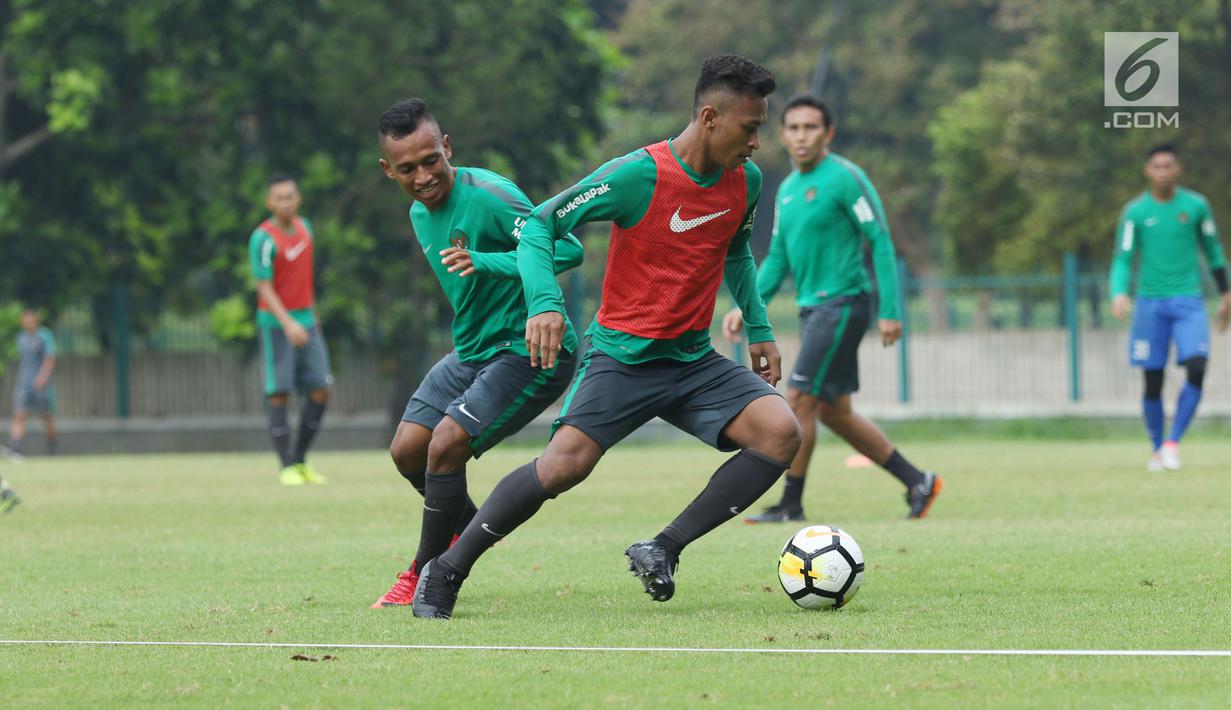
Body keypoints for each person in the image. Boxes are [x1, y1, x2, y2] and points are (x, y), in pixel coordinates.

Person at [412, 54, 802, 620]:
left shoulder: (747, 180)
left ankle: (662, 548)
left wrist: (760, 327)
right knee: (563, 467)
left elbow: (736, 248)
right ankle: (445, 570)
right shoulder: (636, 175)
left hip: (692, 361)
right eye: (751, 127)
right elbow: (542, 226)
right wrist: (544, 305)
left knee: (780, 433)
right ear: (711, 117)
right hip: (620, 356)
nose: (757, 142)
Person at [370, 98, 584, 608]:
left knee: (445, 444)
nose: (423, 176)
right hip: (471, 350)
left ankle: (424, 573)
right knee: (407, 452)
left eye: (430, 161)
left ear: (447, 147)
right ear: (388, 170)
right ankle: (469, 528)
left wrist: (484, 261)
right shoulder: (419, 212)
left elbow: (569, 248)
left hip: (529, 349)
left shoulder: (490, 196)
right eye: (407, 169)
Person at [723, 95, 942, 522]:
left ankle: (790, 503)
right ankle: (918, 480)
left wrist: (891, 309)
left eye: (811, 127)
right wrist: (748, 305)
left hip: (842, 305)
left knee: (799, 398)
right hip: (814, 311)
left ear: (828, 133)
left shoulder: (845, 178)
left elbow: (878, 238)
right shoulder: (786, 191)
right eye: (794, 128)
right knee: (835, 413)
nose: (802, 136)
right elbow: (780, 259)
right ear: (782, 135)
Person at [1110, 144, 1229, 472]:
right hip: (1150, 304)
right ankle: (1156, 448)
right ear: (1148, 171)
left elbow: (1214, 251)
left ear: (1178, 170)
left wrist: (1226, 292)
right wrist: (1119, 291)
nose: (1163, 172)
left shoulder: (1195, 207)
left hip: (1188, 301)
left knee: (1196, 366)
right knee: (1152, 379)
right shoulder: (1135, 212)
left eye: (1168, 166)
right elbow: (1122, 257)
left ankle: (1173, 441)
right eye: (1157, 167)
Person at [249, 175, 333, 485]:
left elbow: (304, 280)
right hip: (276, 324)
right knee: (279, 393)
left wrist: (312, 317)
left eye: (290, 196)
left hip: (307, 321)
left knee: (321, 389)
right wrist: (288, 323)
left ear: (298, 199)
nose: (286, 202)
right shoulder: (263, 238)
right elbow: (264, 288)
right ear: (269, 203)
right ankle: (286, 467)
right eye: (279, 198)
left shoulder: (306, 229)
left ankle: (299, 461)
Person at [2, 308, 58, 462]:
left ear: (36, 320)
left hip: (40, 383)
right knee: (19, 413)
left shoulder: (44, 335)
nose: (28, 322)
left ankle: (52, 446)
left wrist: (43, 377)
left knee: (46, 416)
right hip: (23, 384)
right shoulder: (21, 338)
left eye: (31, 319)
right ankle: (15, 449)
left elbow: (50, 357)